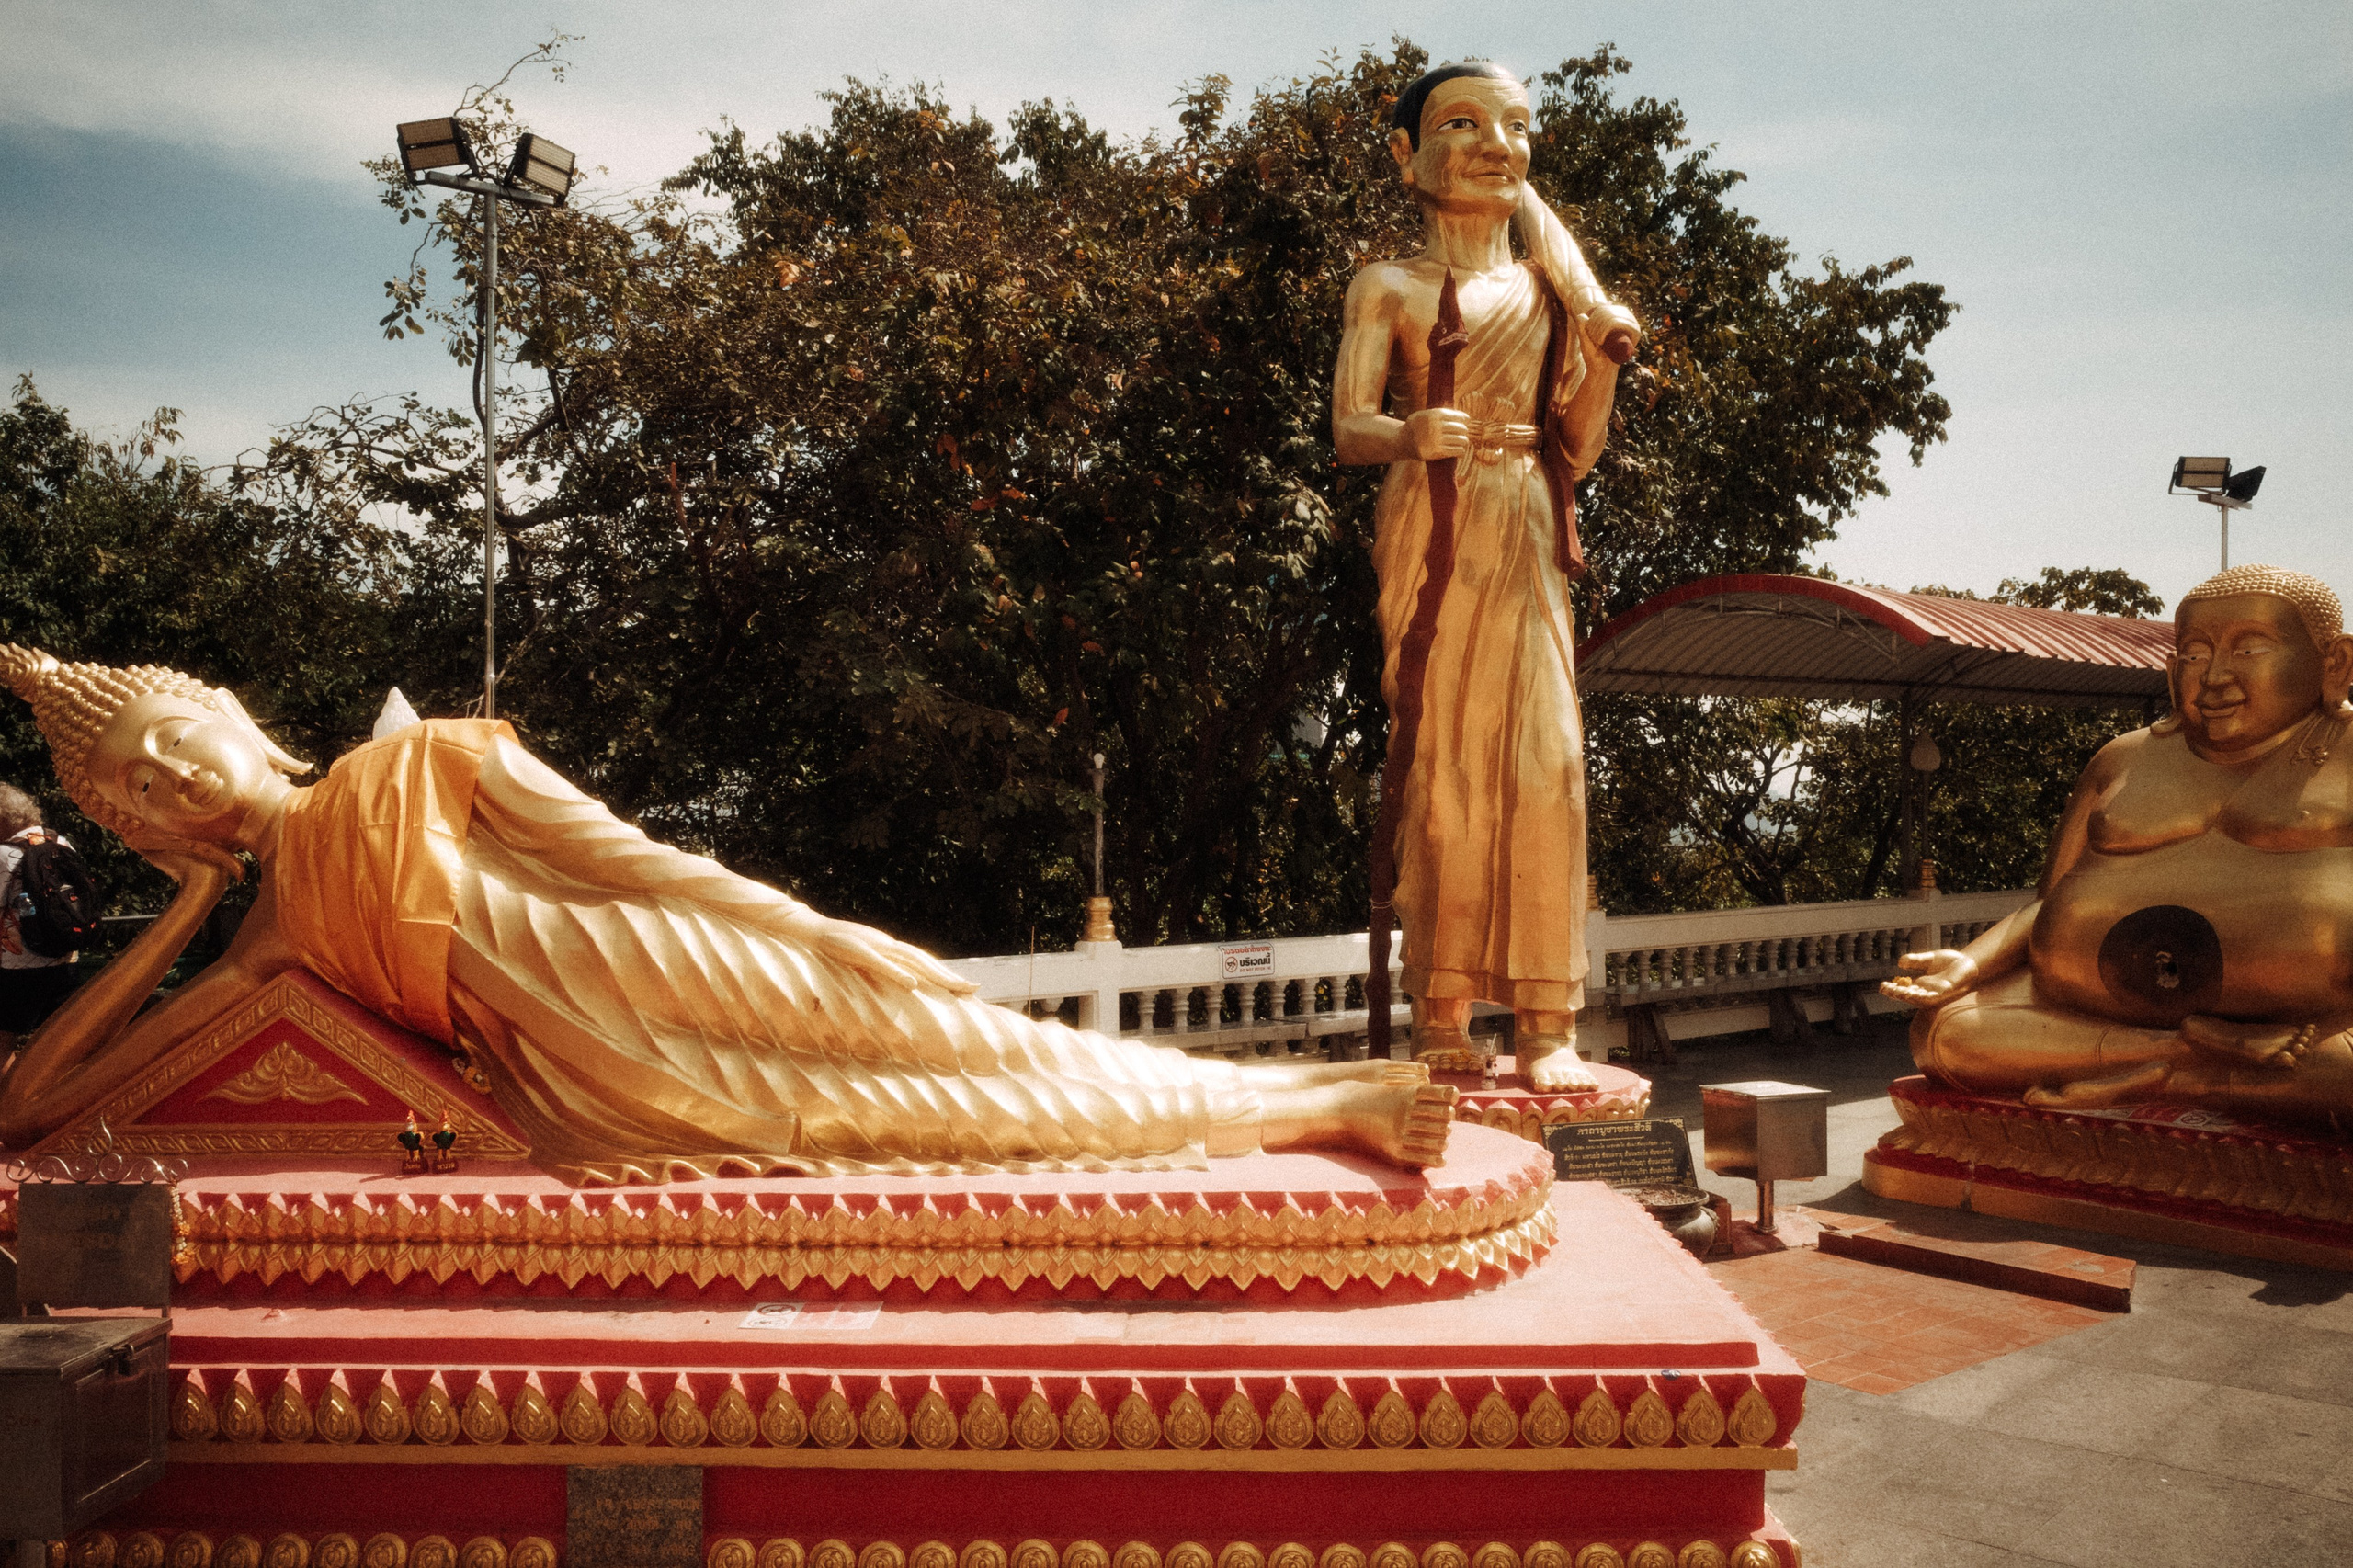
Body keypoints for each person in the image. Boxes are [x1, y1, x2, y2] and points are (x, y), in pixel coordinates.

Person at [0, 645, 1456, 1181]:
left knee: (981, 1048)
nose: (180, 771)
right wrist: (182, 903)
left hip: (680, 955)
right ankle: (1313, 1112)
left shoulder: (420, 755)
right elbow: (35, 1104)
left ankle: (1307, 1086)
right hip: (618, 1083)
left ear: (237, 719)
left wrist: (817, 933)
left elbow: (629, 858)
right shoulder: (267, 945)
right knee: (954, 1130)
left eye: (179, 735)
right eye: (144, 787)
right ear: (136, 824)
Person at [1331, 61, 1639, 1092]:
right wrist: (1410, 431)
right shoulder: (1390, 286)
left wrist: (1598, 359)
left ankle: (1548, 1016)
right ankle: (1444, 1010)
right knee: (1446, 765)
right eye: (1462, 122)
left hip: (1528, 516)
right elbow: (1348, 425)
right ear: (1408, 154)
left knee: (1547, 767)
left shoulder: (1550, 292)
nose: (1494, 141)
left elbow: (1577, 449)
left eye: (1514, 124)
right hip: (1436, 515)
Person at [1883, 564, 2353, 1135]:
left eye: (2250, 649)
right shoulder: (2124, 760)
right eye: (2196, 654)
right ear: (2172, 668)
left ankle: (2169, 1075)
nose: (2216, 677)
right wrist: (1974, 960)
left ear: (2335, 664)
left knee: (2342, 1069)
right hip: (2094, 1011)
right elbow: (2056, 903)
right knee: (1947, 1035)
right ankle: (2186, 1054)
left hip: (2316, 1022)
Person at [0, 782, 82, 1053]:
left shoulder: (3, 855)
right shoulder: (62, 844)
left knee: (3, 1042)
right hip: (65, 957)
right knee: (56, 1046)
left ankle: (10, 1096)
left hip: (18, 969)